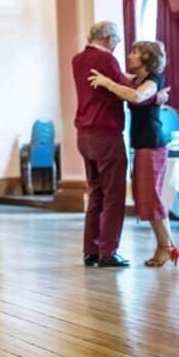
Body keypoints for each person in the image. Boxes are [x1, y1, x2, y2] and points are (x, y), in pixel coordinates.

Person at [89, 40, 178, 267]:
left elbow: (137, 96)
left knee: (151, 197)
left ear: (147, 57)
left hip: (152, 144)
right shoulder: (138, 80)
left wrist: (107, 82)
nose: (130, 55)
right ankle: (164, 246)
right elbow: (127, 85)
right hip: (142, 144)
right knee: (145, 197)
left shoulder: (152, 80)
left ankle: (167, 247)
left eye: (135, 52)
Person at [71, 21, 133, 268]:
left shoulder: (78, 59)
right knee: (114, 195)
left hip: (84, 134)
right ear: (108, 38)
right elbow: (122, 88)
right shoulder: (106, 60)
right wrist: (149, 86)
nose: (117, 44)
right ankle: (108, 251)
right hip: (106, 133)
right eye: (117, 39)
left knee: (95, 192)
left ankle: (91, 250)